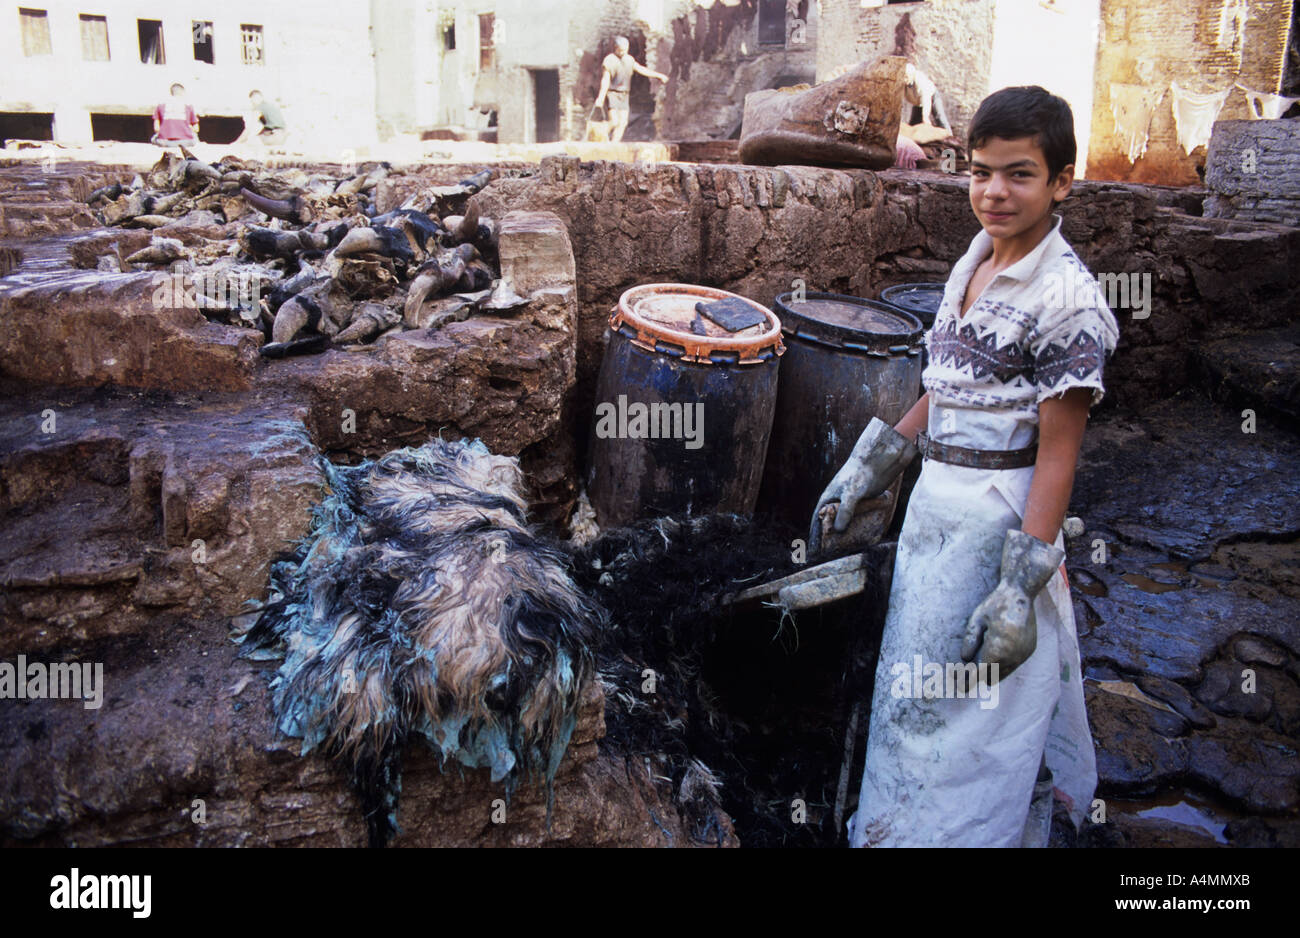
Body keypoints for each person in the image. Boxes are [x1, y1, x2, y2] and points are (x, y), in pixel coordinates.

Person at [813, 85, 1119, 847]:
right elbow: (947, 392)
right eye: (981, 172)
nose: (994, 192)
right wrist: (873, 465)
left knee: (972, 720)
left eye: (1019, 174)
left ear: (1062, 182)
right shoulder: (976, 261)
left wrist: (1019, 588)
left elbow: (1057, 455)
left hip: (997, 526)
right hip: (934, 519)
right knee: (911, 700)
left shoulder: (1067, 301)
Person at [593, 36, 668, 143]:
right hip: (612, 93)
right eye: (621, 50)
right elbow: (605, 80)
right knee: (614, 121)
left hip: (624, 94)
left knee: (623, 123)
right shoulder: (609, 60)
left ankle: (614, 144)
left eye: (625, 49)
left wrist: (659, 75)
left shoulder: (629, 59)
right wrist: (601, 97)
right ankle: (598, 132)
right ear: (616, 48)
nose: (623, 52)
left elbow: (641, 69)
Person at [902, 62, 952, 132]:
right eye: (903, 77)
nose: (904, 79)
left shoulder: (921, 81)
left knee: (939, 117)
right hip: (918, 101)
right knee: (913, 123)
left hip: (931, 96)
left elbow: (926, 99)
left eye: (906, 77)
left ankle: (949, 135)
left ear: (912, 75)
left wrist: (925, 116)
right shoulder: (903, 83)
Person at [151, 83, 199, 148]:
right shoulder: (188, 105)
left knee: (153, 138)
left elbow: (156, 129)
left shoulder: (161, 105)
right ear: (183, 92)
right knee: (195, 136)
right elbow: (196, 128)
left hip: (165, 142)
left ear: (171, 93)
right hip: (185, 142)